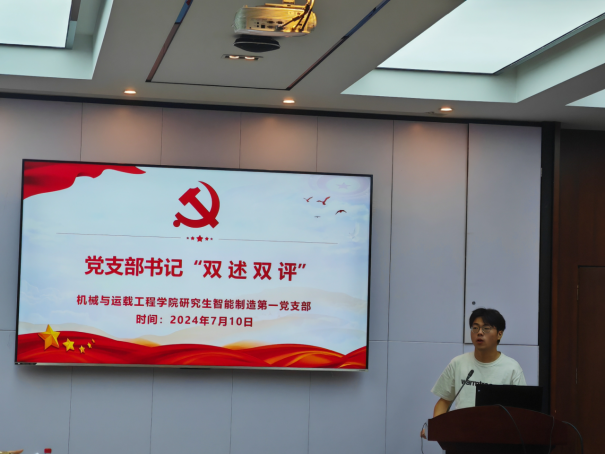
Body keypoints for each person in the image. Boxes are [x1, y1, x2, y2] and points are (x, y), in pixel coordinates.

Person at [420, 308, 526, 439]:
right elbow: (444, 402)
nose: (479, 333)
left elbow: (521, 411)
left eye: (486, 328)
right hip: (461, 437)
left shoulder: (512, 368)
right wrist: (437, 427)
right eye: (475, 328)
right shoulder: (458, 363)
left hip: (498, 438)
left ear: (499, 334)